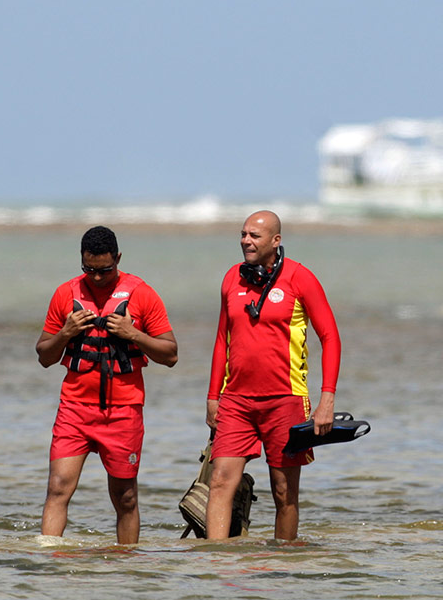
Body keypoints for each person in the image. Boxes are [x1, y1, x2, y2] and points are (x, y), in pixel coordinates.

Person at [36, 225, 178, 544]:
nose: (97, 278)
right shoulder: (65, 293)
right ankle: (47, 558)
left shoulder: (142, 294)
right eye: (89, 270)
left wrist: (133, 334)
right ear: (82, 260)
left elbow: (170, 355)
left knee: (125, 497)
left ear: (118, 258)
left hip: (123, 411)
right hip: (74, 409)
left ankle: (126, 563)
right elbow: (44, 356)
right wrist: (66, 333)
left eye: (105, 270)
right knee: (58, 487)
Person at [205, 210, 342, 541]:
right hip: (236, 401)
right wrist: (212, 396)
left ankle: (285, 561)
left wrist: (326, 399)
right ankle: (214, 561)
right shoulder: (232, 278)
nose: (246, 241)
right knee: (220, 481)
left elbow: (330, 337)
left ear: (276, 240)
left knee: (283, 492)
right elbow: (222, 339)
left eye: (254, 235)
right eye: (243, 234)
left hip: (286, 400)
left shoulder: (300, 278)